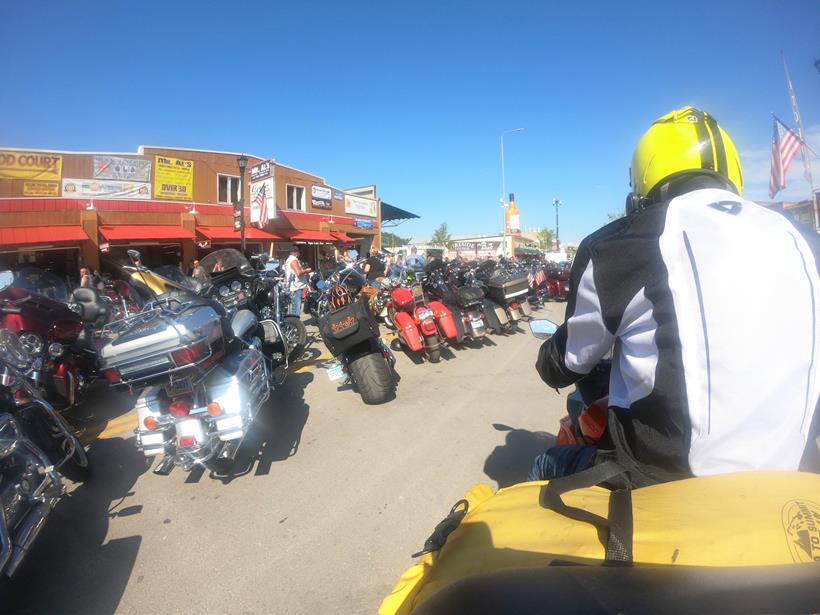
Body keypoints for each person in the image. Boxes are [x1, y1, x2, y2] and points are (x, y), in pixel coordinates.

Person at [530, 106, 819, 487]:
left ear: (643, 183)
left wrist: (549, 357)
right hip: (790, 475)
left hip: (666, 481)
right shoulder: (804, 240)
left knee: (545, 464)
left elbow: (568, 362)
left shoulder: (619, 246)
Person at [285, 248, 311, 317]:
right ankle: (295, 325)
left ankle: (294, 324)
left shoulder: (289, 260)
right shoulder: (293, 260)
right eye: (299, 252)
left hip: (295, 287)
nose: (299, 254)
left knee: (296, 307)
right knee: (296, 309)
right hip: (296, 287)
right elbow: (298, 273)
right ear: (295, 253)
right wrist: (306, 270)